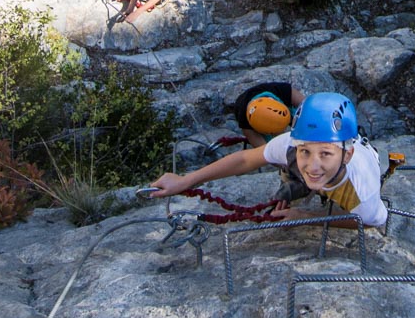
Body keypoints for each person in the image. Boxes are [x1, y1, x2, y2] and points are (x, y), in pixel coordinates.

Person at [148, 92, 387, 228]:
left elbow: (365, 222)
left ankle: (302, 187)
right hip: (330, 172)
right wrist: (186, 181)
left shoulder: (362, 191)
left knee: (312, 176)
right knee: (302, 174)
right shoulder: (291, 145)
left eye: (325, 153)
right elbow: (246, 160)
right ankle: (298, 186)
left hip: (347, 178)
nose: (313, 164)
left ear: (347, 154)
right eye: (306, 152)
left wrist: (307, 218)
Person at [230, 81, 305, 148]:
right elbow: (263, 153)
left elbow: (312, 108)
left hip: (276, 95)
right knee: (277, 146)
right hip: (242, 108)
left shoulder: (284, 91)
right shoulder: (245, 122)